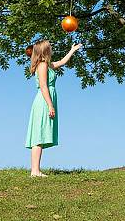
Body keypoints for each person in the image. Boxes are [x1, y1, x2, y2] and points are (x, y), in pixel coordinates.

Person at [25, 40, 81, 177]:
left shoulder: (47, 64)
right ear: (44, 50)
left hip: (47, 99)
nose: (52, 48)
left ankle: (36, 170)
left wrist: (72, 50)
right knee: (38, 136)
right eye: (49, 46)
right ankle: (35, 171)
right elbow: (44, 86)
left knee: (40, 135)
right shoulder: (42, 65)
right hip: (44, 101)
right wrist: (50, 105)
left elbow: (62, 62)